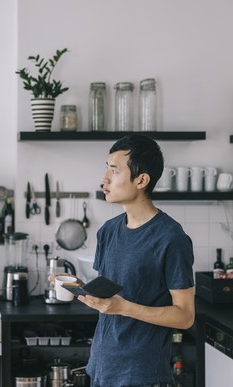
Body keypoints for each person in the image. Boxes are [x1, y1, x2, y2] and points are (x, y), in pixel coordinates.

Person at [81, 134, 195, 387]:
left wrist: (123, 308)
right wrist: (74, 286)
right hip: (100, 368)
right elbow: (110, 294)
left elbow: (185, 316)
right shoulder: (108, 231)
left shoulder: (171, 237)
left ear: (141, 180)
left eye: (114, 171)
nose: (105, 179)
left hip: (142, 376)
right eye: (106, 169)